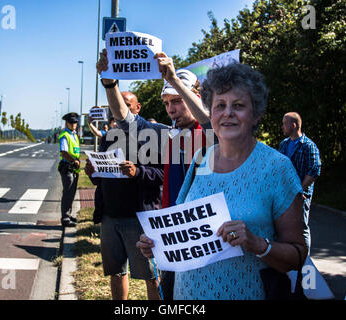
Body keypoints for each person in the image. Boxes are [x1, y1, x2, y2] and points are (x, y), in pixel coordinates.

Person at [136, 62, 307, 300]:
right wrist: (158, 243)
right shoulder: (200, 160)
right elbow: (183, 229)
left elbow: (298, 255)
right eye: (220, 105)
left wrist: (259, 244)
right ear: (211, 113)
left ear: (256, 113)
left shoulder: (277, 168)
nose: (227, 113)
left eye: (238, 105)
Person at [96, 49, 212, 299]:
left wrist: (173, 80)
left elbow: (211, 122)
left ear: (195, 96)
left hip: (204, 238)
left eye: (177, 100)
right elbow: (126, 120)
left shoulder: (212, 134)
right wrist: (109, 83)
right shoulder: (166, 134)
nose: (171, 109)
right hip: (175, 235)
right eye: (167, 103)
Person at [84, 91, 163, 301]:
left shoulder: (150, 137)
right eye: (116, 107)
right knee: (116, 272)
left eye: (127, 105)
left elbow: (162, 175)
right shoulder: (109, 136)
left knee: (151, 276)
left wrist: (137, 172)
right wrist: (92, 173)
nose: (120, 112)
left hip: (138, 218)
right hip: (110, 217)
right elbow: (100, 179)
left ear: (138, 109)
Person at [279, 112, 321, 253]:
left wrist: (299, 189)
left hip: (300, 194)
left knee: (301, 226)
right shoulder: (284, 145)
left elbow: (314, 170)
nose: (282, 127)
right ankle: (289, 253)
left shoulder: (308, 145)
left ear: (294, 125)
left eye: (285, 123)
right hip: (284, 194)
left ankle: (304, 258)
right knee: (283, 225)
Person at [58, 112, 81, 227]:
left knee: (72, 192)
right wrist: (73, 161)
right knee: (67, 192)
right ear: (67, 123)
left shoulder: (74, 134)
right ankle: (65, 218)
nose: (73, 124)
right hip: (67, 166)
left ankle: (69, 214)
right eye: (71, 122)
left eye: (75, 122)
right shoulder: (65, 135)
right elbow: (64, 152)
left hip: (73, 167)